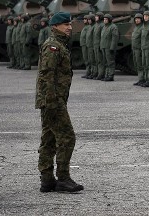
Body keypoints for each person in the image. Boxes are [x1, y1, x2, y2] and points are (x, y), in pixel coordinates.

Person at [35, 11, 83, 193]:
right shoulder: (53, 46)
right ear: (55, 27)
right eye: (65, 25)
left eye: (70, 24)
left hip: (53, 99)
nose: (69, 28)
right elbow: (46, 75)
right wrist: (52, 101)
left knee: (49, 139)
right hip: (52, 100)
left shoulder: (59, 45)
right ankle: (63, 178)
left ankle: (47, 180)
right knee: (67, 137)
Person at [100, 14, 119, 82]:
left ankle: (111, 75)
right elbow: (102, 38)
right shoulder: (104, 27)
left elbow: (115, 38)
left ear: (109, 20)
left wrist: (112, 47)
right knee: (105, 62)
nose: (104, 21)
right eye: (104, 19)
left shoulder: (113, 27)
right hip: (104, 47)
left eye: (106, 19)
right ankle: (107, 75)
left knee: (110, 62)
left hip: (109, 47)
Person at [140, 11, 149, 87]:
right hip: (143, 48)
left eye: (147, 16)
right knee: (144, 65)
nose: (145, 17)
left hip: (148, 48)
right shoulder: (143, 25)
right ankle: (146, 79)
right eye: (144, 16)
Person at [131, 13, 144, 86]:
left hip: (139, 49)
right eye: (136, 19)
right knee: (137, 65)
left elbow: (143, 39)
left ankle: (142, 79)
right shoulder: (136, 28)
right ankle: (140, 79)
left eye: (138, 19)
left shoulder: (142, 28)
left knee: (140, 65)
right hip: (134, 48)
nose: (137, 20)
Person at [92, 12, 105, 80]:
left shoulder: (102, 25)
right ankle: (98, 73)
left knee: (100, 61)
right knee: (97, 60)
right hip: (95, 45)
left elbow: (102, 36)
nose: (95, 17)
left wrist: (101, 45)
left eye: (97, 16)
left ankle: (101, 74)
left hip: (99, 45)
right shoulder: (96, 25)